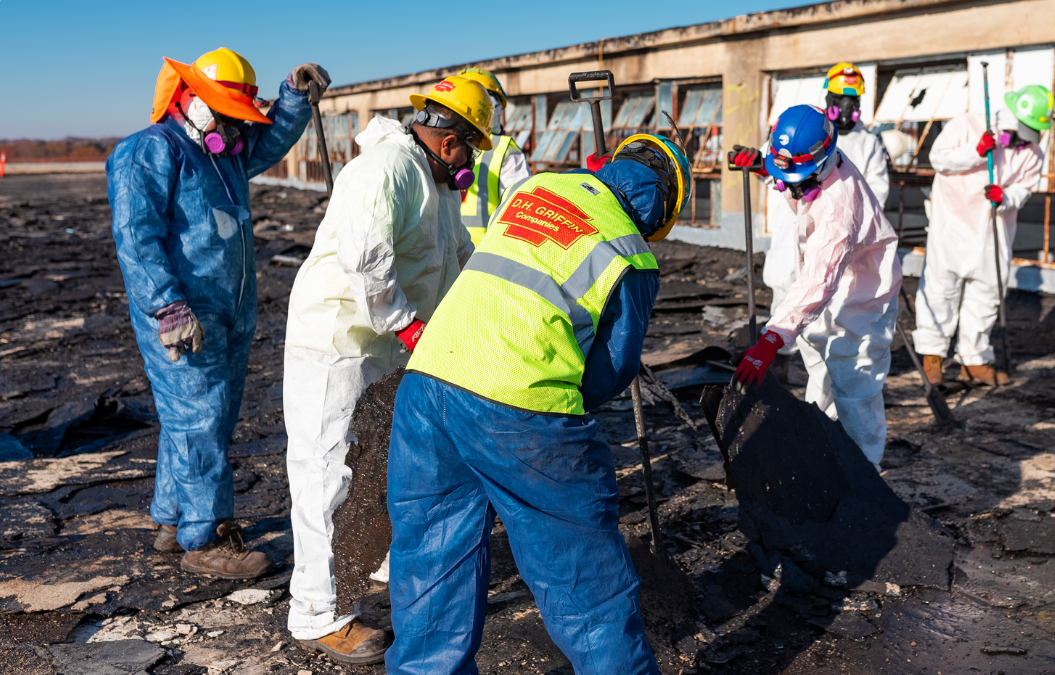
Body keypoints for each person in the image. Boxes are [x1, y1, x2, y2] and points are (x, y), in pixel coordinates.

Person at [384, 133, 692, 674]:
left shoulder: (537, 188)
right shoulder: (632, 253)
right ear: (660, 212)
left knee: (431, 564)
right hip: (520, 412)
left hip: (429, 382)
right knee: (585, 581)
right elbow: (609, 372)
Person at [282, 75, 492, 665]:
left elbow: (455, 258)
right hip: (338, 343)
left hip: (390, 349)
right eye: (473, 145)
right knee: (327, 477)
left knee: (380, 468)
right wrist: (408, 325)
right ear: (451, 142)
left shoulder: (438, 183)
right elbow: (365, 257)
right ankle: (318, 614)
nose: (473, 159)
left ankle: (372, 566)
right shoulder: (387, 169)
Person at [108, 48, 325, 578]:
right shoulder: (149, 151)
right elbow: (137, 240)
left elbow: (269, 140)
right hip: (182, 309)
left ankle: (172, 517)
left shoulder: (222, 150)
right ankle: (206, 539)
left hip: (229, 307)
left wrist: (293, 98)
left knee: (204, 415)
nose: (233, 126)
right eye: (226, 113)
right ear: (192, 100)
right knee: (198, 417)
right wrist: (168, 306)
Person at [732, 104, 901, 470]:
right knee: (821, 375)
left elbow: (820, 279)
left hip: (861, 296)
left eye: (794, 178)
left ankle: (865, 473)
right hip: (828, 288)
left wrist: (772, 337)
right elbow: (790, 177)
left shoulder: (840, 206)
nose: (787, 185)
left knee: (855, 386)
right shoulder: (816, 168)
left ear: (821, 163)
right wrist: (764, 166)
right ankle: (824, 452)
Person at [913, 84, 1051, 385]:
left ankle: (974, 360)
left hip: (993, 230)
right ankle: (932, 358)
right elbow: (939, 160)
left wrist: (1005, 198)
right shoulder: (966, 125)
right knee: (940, 291)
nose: (1019, 142)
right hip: (952, 223)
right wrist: (975, 152)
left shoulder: (1033, 152)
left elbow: (1024, 189)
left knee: (987, 293)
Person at [756, 62, 891, 318]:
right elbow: (774, 163)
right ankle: (780, 353)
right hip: (795, 224)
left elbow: (876, 195)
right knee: (785, 292)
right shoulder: (806, 128)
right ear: (828, 97)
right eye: (839, 98)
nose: (845, 105)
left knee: (830, 301)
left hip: (838, 232)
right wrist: (758, 165)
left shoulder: (867, 143)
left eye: (852, 99)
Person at [456, 67, 533, 245]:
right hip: (483, 260)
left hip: (441, 259)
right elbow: (522, 218)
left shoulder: (439, 144)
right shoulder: (505, 149)